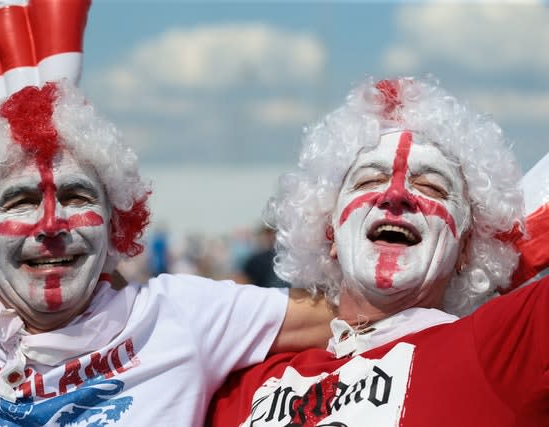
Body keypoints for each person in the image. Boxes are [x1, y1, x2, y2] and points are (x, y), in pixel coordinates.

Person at [0, 81, 334, 426]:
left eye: (77, 196)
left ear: (114, 231)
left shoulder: (181, 318)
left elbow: (352, 312)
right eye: (20, 201)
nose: (51, 225)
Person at [208, 77, 549, 426]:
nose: (396, 194)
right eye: (369, 180)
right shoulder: (243, 384)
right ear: (330, 234)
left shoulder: (498, 352)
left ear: (466, 247)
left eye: (431, 186)